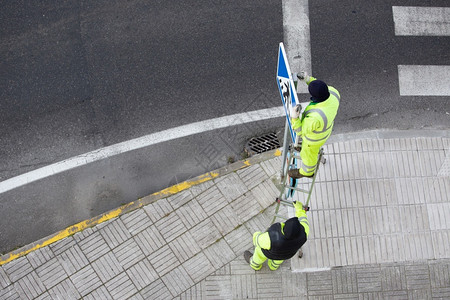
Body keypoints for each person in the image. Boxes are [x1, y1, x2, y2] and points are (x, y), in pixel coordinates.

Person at [288, 73, 340, 179]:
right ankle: (302, 149)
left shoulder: (315, 117)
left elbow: (300, 131)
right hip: (325, 130)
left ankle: (306, 172)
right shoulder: (334, 93)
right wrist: (308, 79)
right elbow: (320, 87)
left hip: (313, 140)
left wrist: (294, 118)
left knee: (308, 156)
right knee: (306, 150)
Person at [244, 201, 309, 271]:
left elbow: (257, 241)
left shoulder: (272, 238)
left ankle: (254, 265)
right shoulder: (304, 231)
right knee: (278, 260)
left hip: (268, 253)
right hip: (286, 254)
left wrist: (256, 234)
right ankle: (272, 266)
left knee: (259, 253)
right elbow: (303, 219)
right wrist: (299, 209)